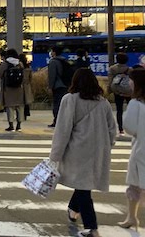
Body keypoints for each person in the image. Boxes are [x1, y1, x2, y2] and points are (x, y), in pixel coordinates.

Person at [49, 68, 117, 237]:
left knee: (83, 187)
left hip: (77, 152)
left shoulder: (70, 100)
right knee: (84, 186)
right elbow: (112, 130)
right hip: (98, 152)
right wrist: (107, 146)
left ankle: (91, 228)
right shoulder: (103, 102)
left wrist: (55, 155)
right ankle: (73, 209)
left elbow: (62, 130)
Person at [119, 68, 145, 230]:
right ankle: (131, 218)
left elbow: (129, 127)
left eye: (131, 80)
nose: (129, 82)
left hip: (141, 150)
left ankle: (132, 217)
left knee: (134, 187)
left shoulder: (136, 104)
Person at [0, 49, 27, 132]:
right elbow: (23, 76)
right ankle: (19, 125)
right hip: (19, 88)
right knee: (20, 107)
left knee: (10, 107)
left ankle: (11, 125)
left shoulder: (5, 64)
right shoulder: (20, 63)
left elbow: (0, 75)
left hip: (8, 88)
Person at [109, 52, 132, 136]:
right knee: (130, 109)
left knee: (119, 110)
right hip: (128, 92)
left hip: (117, 91)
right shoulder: (129, 69)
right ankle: (130, 127)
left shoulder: (112, 69)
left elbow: (110, 80)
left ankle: (121, 129)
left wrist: (111, 90)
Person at [48, 46, 70, 128]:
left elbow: (52, 76)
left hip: (57, 86)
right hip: (66, 85)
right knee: (64, 104)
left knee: (57, 104)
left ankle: (57, 121)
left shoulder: (53, 62)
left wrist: (50, 87)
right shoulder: (65, 60)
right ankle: (64, 121)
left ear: (54, 52)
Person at [19, 53, 34, 120]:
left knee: (20, 101)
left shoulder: (18, 66)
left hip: (20, 85)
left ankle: (20, 115)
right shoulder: (28, 67)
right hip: (27, 85)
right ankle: (26, 114)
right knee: (26, 101)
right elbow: (31, 78)